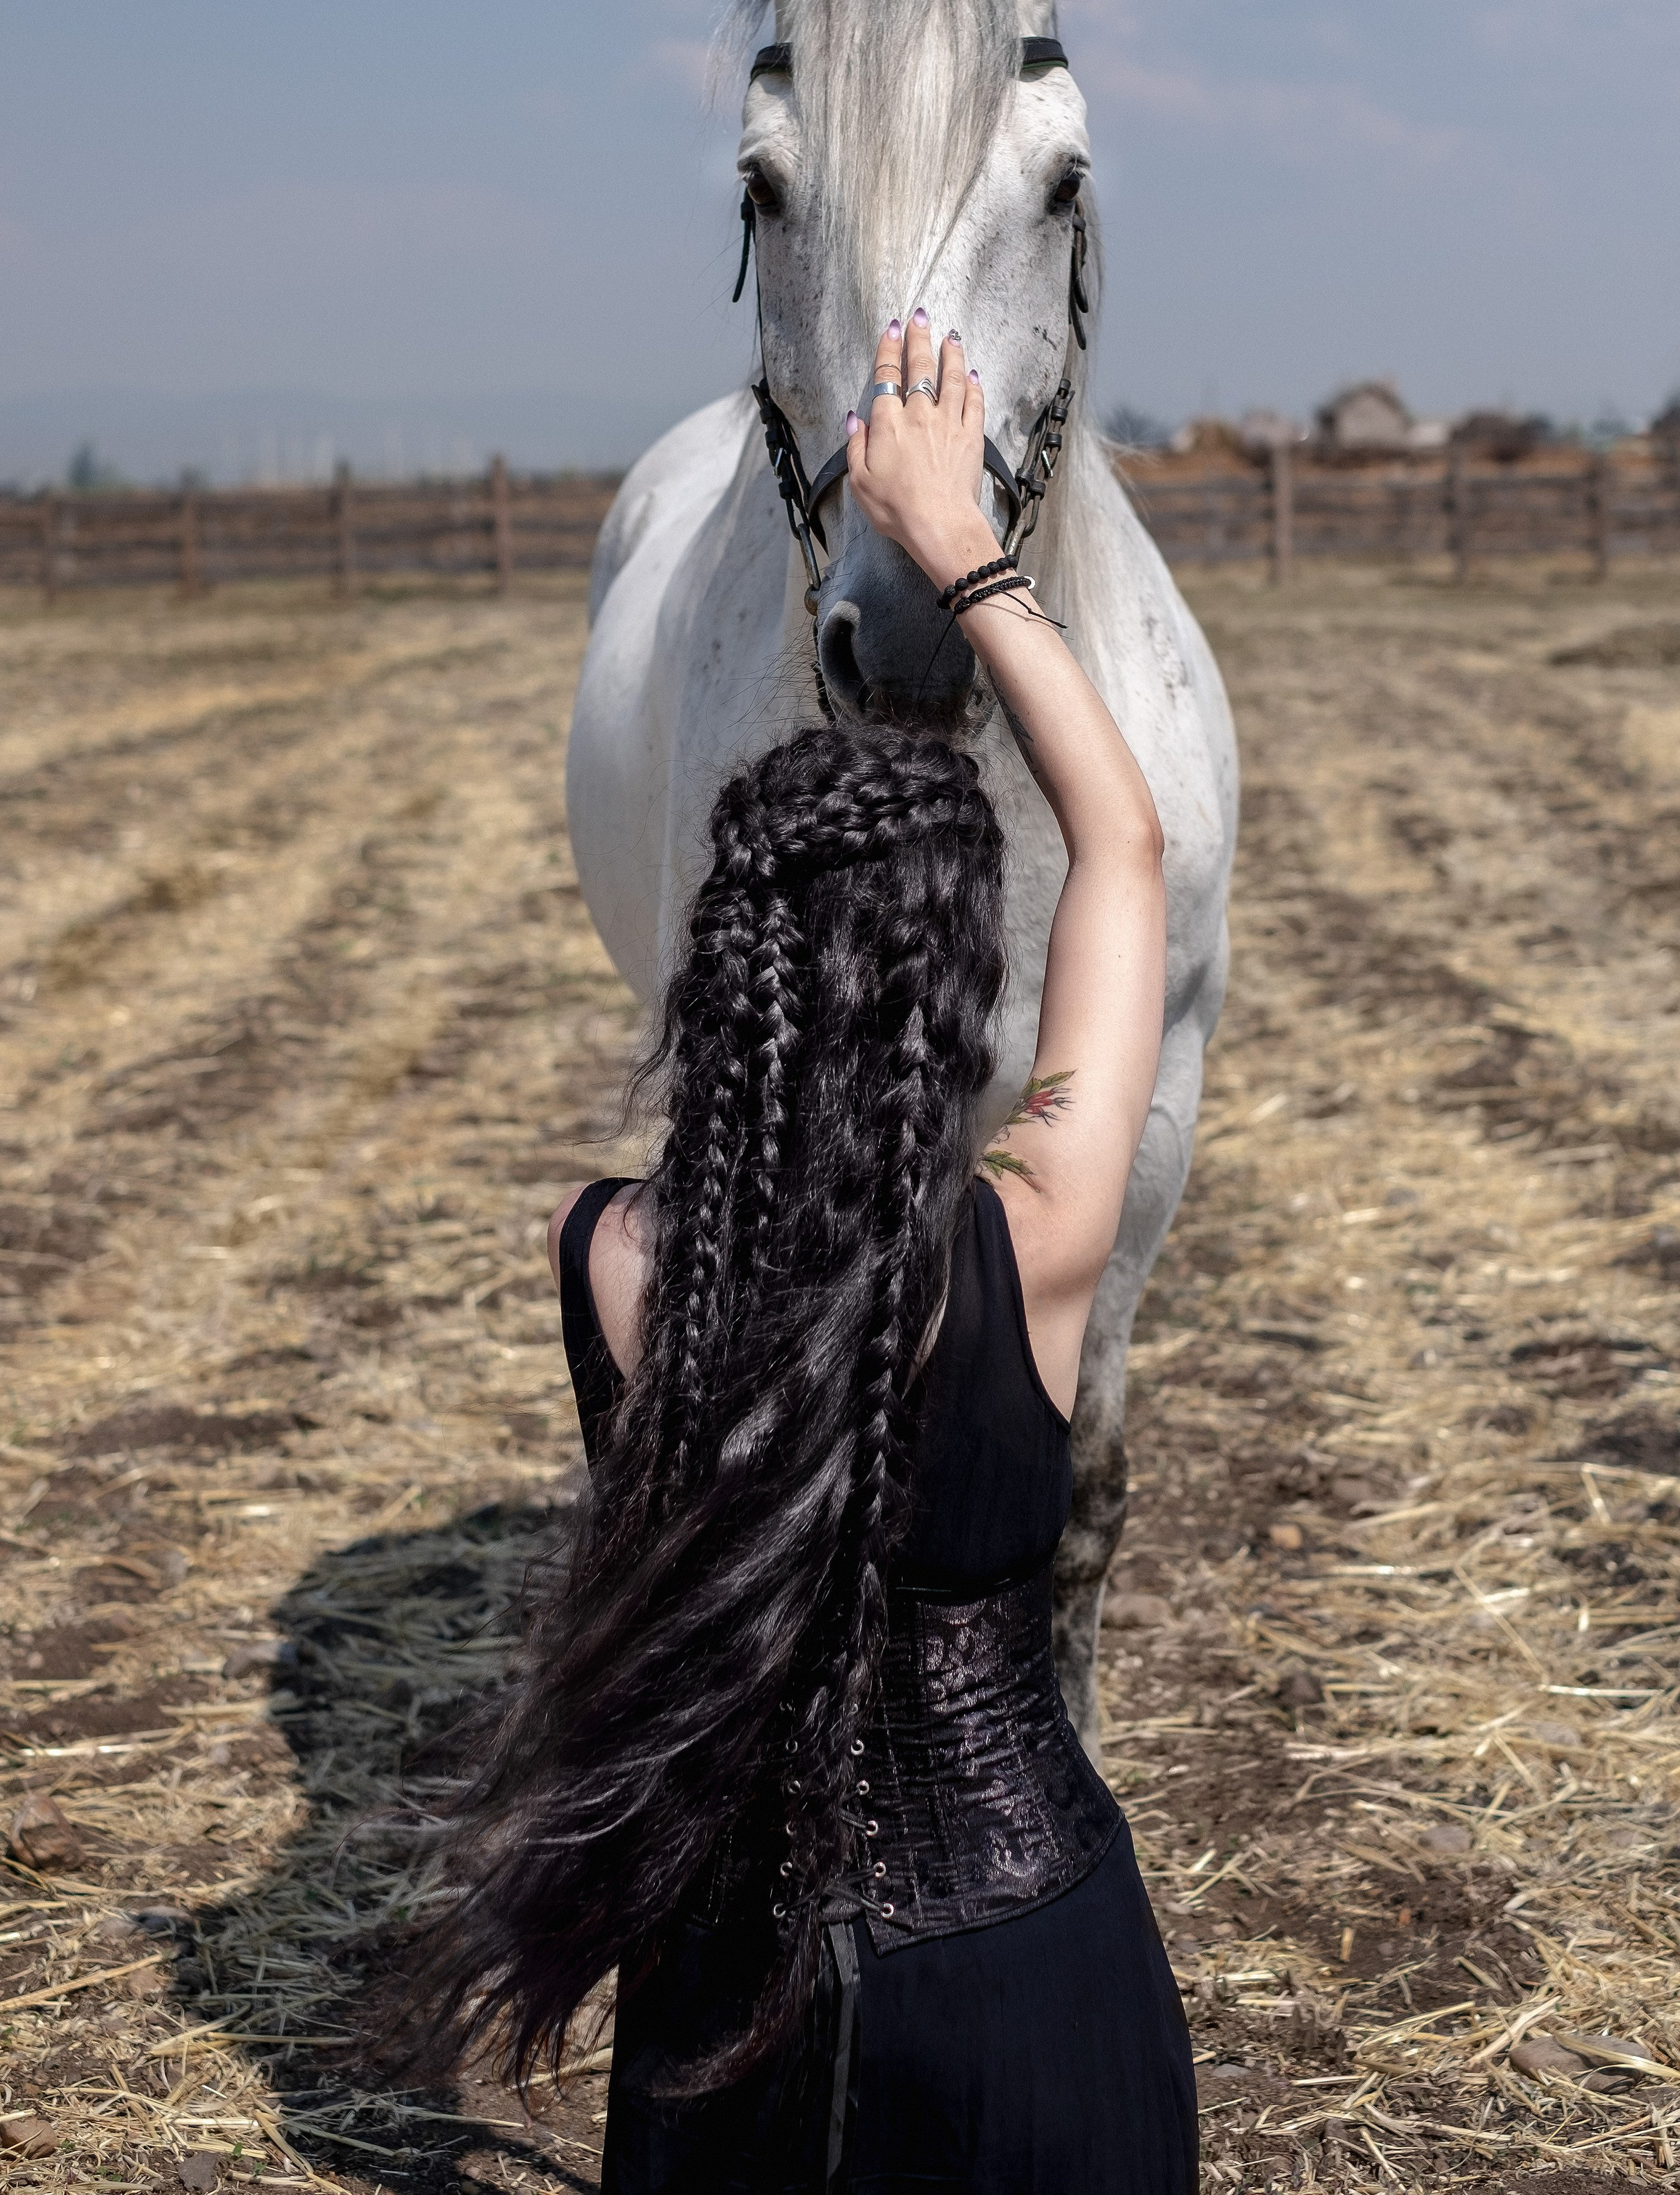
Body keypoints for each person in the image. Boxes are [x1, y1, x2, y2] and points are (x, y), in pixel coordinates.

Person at [398, 310, 1196, 2192]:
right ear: (958, 995)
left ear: (718, 980)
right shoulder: (1040, 1243)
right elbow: (1129, 849)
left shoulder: (600, 1256)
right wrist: (970, 553)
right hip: (1025, 1966)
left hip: (724, 1996)